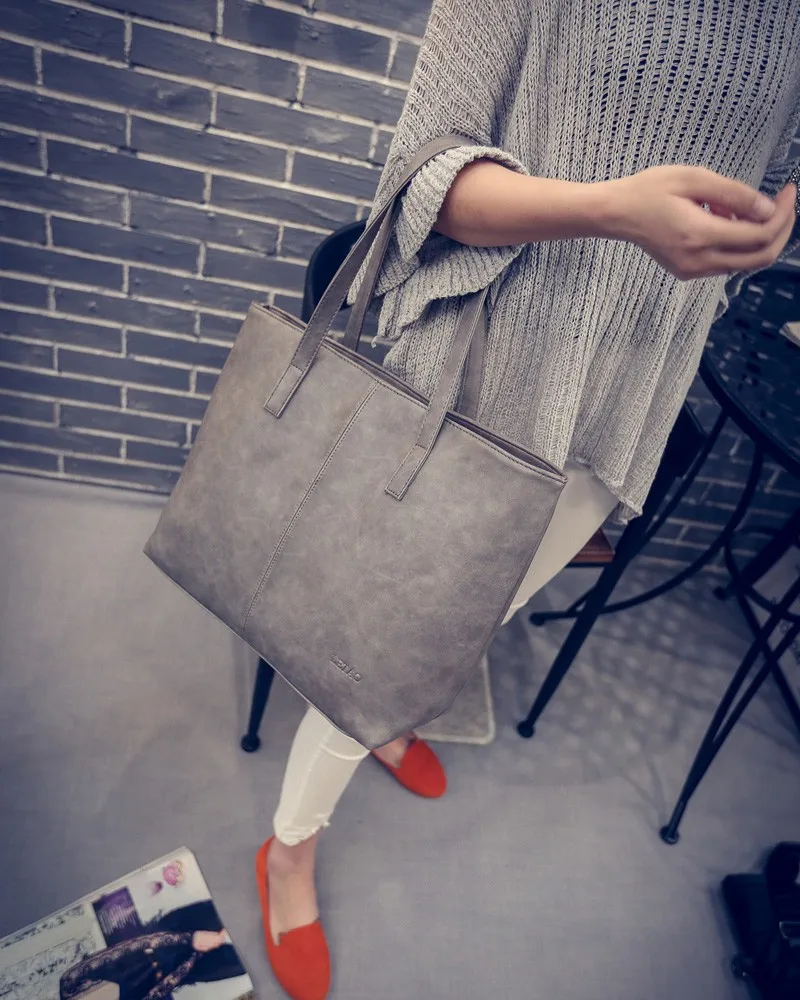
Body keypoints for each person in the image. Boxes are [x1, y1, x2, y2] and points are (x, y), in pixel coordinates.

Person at [254, 2, 800, 998]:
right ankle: (288, 848)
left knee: (471, 612)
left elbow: (766, 174)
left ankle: (383, 717)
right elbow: (425, 182)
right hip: (488, 364)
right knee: (381, 638)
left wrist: (765, 230)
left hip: (630, 386)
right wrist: (616, 209)